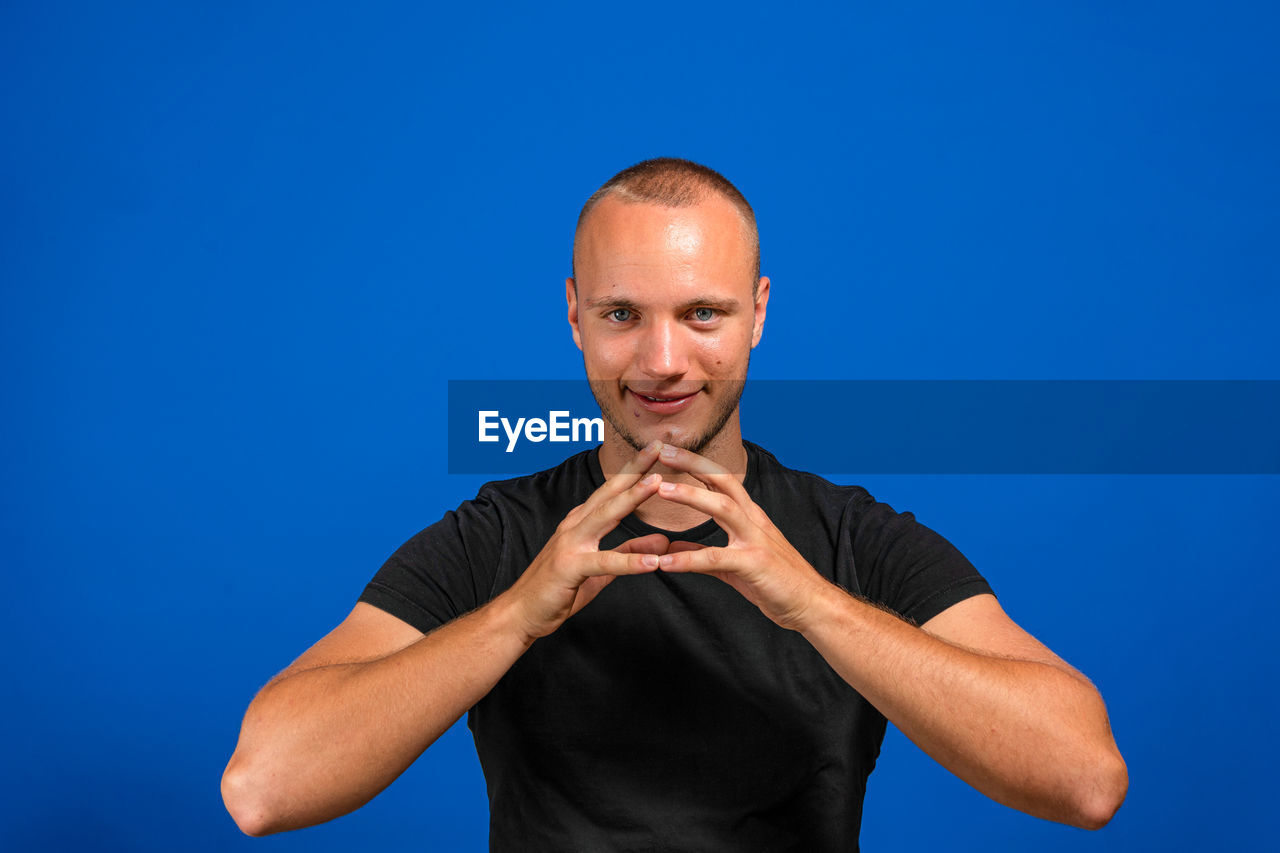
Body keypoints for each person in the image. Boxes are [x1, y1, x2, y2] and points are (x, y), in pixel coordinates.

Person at [222, 158, 1128, 849]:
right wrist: (514, 616)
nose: (661, 360)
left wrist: (810, 603)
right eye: (623, 315)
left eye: (702, 314)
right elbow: (263, 788)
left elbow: (1085, 778)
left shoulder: (854, 540)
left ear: (758, 314)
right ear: (574, 314)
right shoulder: (497, 539)